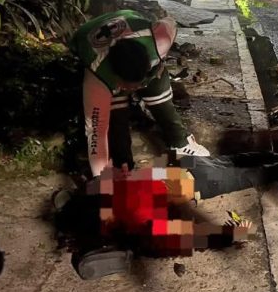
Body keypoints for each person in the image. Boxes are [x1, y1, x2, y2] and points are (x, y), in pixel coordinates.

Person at [69, 9, 210, 177]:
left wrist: (157, 69)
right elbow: (95, 133)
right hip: (86, 38)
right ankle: (123, 164)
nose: (134, 90)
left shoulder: (161, 39)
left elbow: (171, 21)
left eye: (137, 85)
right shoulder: (97, 78)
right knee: (116, 113)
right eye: (128, 86)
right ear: (115, 77)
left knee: (158, 87)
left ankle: (180, 141)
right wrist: (100, 176)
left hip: (128, 20)